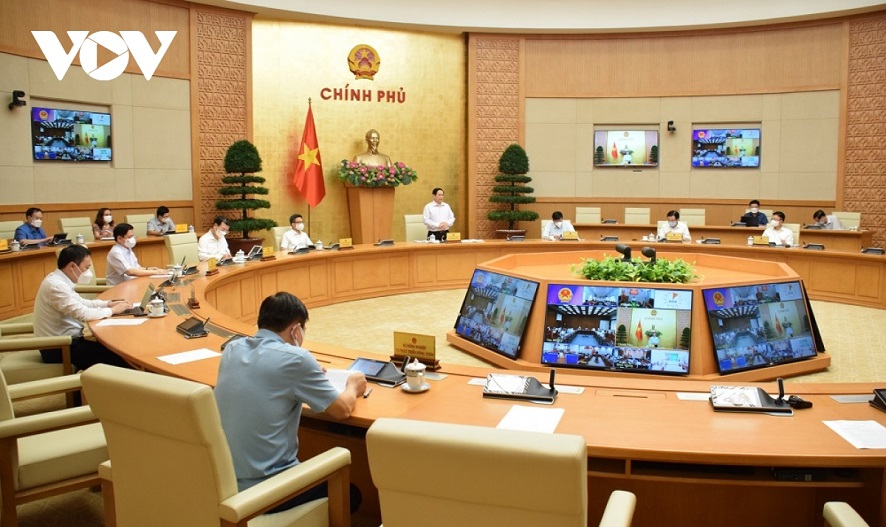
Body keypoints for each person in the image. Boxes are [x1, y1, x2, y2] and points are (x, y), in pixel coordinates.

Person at [214, 292, 366, 514]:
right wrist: (353, 386)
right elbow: (342, 409)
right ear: (296, 330)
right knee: (352, 494)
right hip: (268, 491)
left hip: (225, 483)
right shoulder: (297, 359)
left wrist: (308, 371)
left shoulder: (232, 349)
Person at [33, 244, 133, 370]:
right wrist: (112, 310)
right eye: (86, 267)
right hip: (60, 347)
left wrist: (107, 304)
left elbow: (82, 302)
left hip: (70, 341)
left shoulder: (59, 280)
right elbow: (83, 314)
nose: (88, 272)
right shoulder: (56, 286)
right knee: (121, 360)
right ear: (72, 266)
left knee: (118, 349)